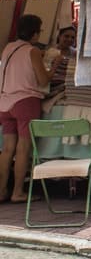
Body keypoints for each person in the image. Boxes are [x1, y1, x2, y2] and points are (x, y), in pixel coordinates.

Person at [0, 14, 62, 203]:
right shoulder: (32, 51)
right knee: (23, 148)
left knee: (7, 148)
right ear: (35, 33)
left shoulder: (8, 47)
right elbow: (43, 80)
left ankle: (1, 190)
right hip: (25, 102)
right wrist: (55, 66)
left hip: (5, 102)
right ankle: (18, 192)